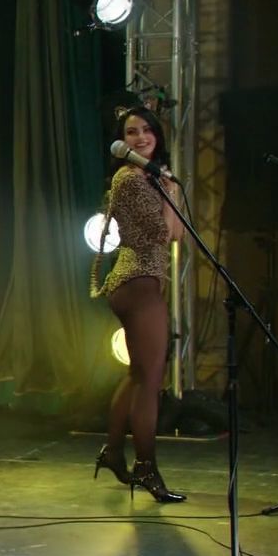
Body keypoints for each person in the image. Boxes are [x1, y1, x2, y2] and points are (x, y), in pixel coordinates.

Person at [90, 106, 186, 503]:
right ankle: (147, 468)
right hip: (138, 282)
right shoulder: (130, 179)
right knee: (151, 381)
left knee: (138, 376)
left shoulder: (150, 179)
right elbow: (163, 233)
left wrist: (170, 191)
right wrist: (170, 192)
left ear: (157, 136)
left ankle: (113, 452)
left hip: (140, 281)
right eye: (132, 132)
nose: (141, 137)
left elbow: (178, 233)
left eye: (147, 130)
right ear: (122, 140)